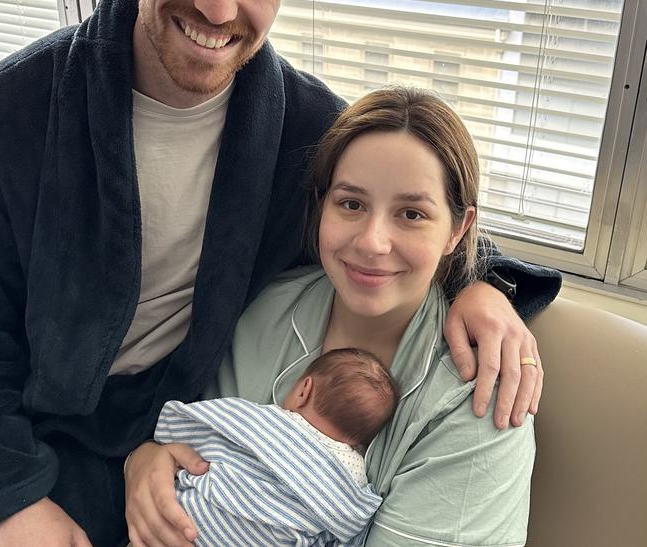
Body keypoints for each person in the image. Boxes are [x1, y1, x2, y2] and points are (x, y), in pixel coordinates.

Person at [0, 0, 560, 547]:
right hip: (23, 438)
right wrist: (14, 496)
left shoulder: (306, 132)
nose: (220, 5)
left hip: (168, 452)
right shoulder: (21, 109)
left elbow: (407, 210)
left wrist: (483, 287)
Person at [126, 88, 537, 547]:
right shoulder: (260, 313)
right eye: (352, 204)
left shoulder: (476, 403)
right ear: (322, 205)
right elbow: (194, 445)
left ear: (457, 230)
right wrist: (143, 462)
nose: (372, 242)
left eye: (411, 214)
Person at [153, 349, 397, 545]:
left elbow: (201, 426)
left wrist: (165, 437)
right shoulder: (351, 476)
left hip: (188, 524)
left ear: (304, 389)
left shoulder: (265, 421)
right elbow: (350, 525)